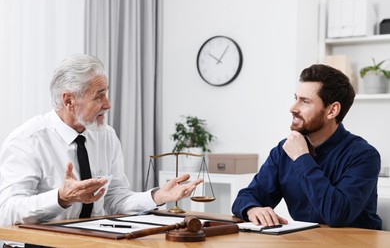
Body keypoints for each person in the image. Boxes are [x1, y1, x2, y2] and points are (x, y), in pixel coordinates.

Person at [0, 54, 202, 229]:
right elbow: (7, 212)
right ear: (69, 101)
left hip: (94, 240)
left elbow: (115, 198)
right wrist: (60, 198)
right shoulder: (27, 141)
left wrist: (157, 197)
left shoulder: (106, 136)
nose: (108, 104)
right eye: (99, 96)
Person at [232, 64, 382, 230]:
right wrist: (252, 209)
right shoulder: (284, 150)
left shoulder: (364, 155)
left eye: (305, 101)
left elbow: (337, 215)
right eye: (296, 98)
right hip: (306, 241)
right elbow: (246, 197)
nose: (293, 108)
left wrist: (302, 158)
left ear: (332, 110)